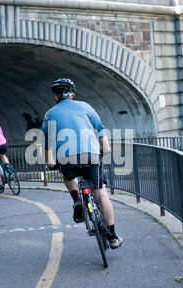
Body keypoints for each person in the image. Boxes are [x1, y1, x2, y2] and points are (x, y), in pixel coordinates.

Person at [41, 78, 123, 249]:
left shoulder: (50, 114)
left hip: (66, 157)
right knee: (100, 193)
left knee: (68, 175)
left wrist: (50, 162)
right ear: (73, 95)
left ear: (56, 98)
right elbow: (100, 129)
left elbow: (47, 140)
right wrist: (105, 150)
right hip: (90, 154)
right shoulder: (85, 107)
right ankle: (113, 236)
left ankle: (77, 199)